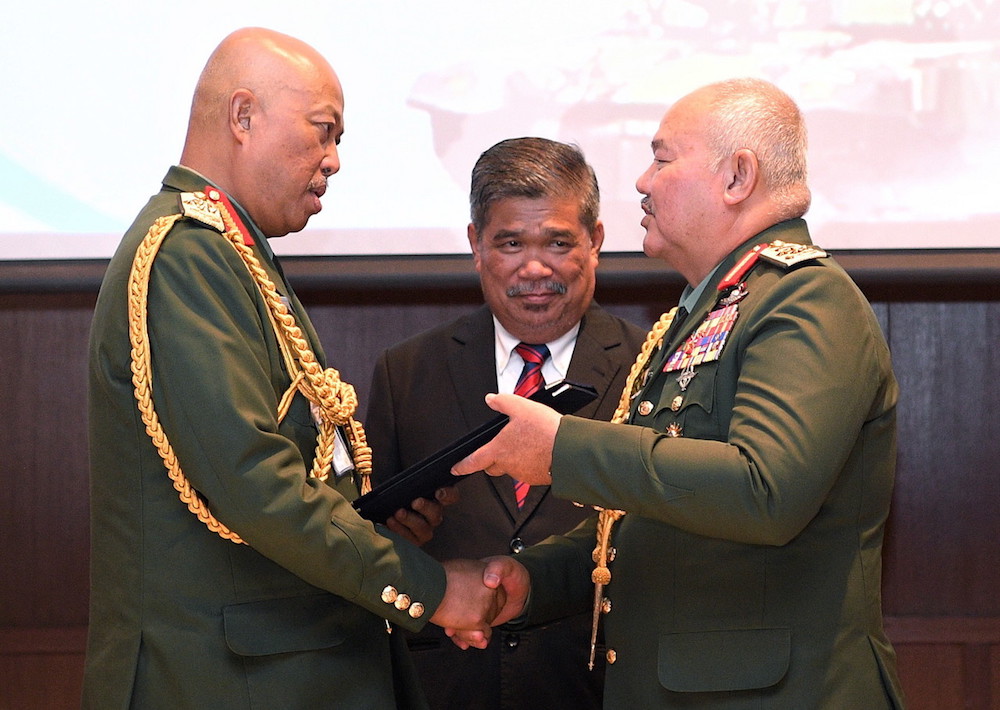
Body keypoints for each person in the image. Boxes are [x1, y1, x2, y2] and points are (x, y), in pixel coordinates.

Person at [84, 28, 516, 710]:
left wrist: (373, 522)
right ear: (243, 116)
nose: (334, 160)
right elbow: (255, 481)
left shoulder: (230, 250)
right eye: (323, 131)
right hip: (230, 680)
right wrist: (429, 588)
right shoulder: (187, 255)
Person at [453, 78, 907, 708]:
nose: (641, 180)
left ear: (736, 178)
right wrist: (531, 582)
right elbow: (647, 526)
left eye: (663, 159)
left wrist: (562, 449)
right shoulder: (696, 317)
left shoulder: (806, 298)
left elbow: (764, 489)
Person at [365, 137, 646, 709]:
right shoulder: (408, 371)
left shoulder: (648, 368)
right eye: (510, 243)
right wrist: (398, 541)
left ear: (595, 241)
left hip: (599, 684)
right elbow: (370, 544)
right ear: (475, 244)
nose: (535, 268)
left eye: (559, 242)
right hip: (447, 684)